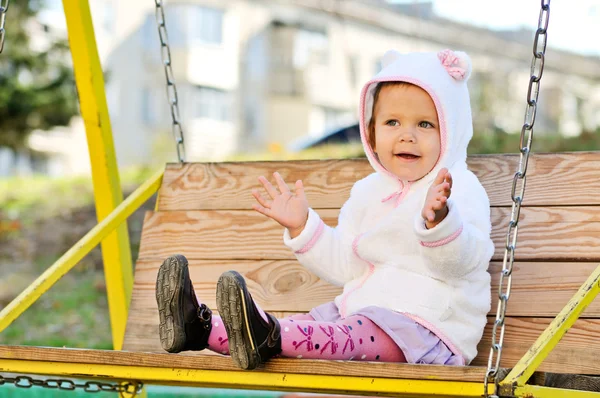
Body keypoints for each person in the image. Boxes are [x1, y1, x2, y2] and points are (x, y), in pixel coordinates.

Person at [155, 49, 494, 371]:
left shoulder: (455, 187)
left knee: (342, 333)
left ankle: (266, 334)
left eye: (424, 125)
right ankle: (198, 327)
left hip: (427, 331)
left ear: (451, 131)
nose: (407, 136)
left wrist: (440, 224)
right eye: (392, 122)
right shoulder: (369, 192)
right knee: (305, 326)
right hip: (360, 320)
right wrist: (303, 227)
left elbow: (463, 265)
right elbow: (346, 265)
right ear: (371, 133)